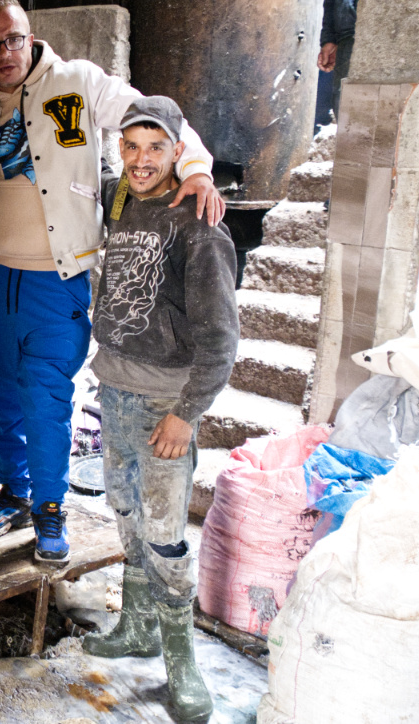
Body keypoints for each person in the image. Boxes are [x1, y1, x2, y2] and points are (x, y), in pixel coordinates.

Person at [0, 0, 225, 564]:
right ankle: (16, 492)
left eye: (13, 38)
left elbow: (153, 117)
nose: (4, 52)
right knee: (1, 396)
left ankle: (49, 506)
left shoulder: (78, 83)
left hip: (57, 280)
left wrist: (195, 169)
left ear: (30, 35)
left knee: (45, 397)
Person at [80, 96, 239, 723]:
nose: (141, 159)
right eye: (131, 145)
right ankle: (136, 627)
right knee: (124, 509)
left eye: (156, 147)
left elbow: (221, 340)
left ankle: (182, 662)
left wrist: (186, 413)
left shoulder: (198, 224)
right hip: (114, 392)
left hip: (162, 405)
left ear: (180, 150)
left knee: (167, 535)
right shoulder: (121, 199)